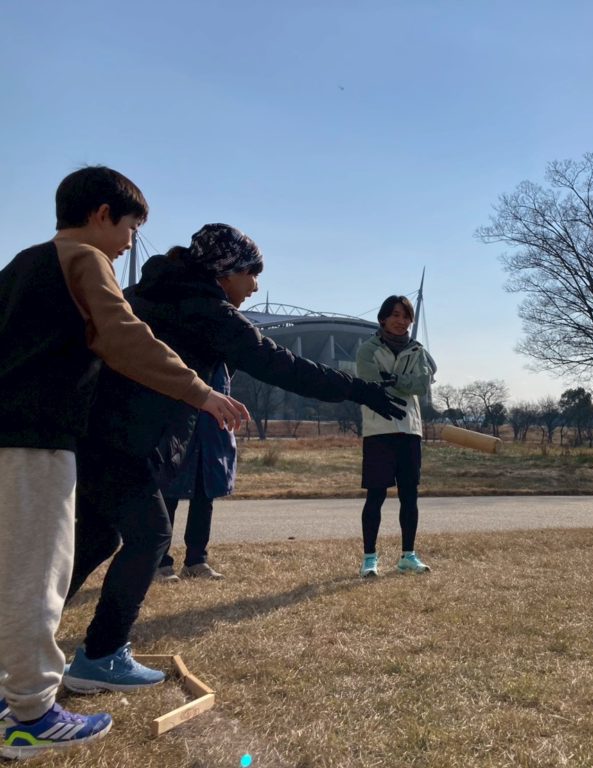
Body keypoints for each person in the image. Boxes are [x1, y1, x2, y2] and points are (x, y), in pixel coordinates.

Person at [62, 224, 405, 695]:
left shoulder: (147, 293)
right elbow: (283, 365)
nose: (256, 286)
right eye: (251, 274)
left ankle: (22, 635)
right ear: (225, 273)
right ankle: (100, 655)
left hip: (94, 431)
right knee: (150, 534)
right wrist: (360, 390)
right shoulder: (208, 311)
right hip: (131, 439)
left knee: (96, 538)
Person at [0, 167, 248, 760]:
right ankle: (30, 716)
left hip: (8, 437)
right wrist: (201, 392)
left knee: (13, 569)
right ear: (102, 215)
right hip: (38, 439)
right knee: (39, 574)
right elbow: (125, 337)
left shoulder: (20, 264)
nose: (131, 242)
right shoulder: (85, 259)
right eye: (131, 227)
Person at [356, 295, 437, 578]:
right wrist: (403, 381)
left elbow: (422, 385)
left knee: (410, 496)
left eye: (406, 316)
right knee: (376, 495)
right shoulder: (367, 349)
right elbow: (370, 380)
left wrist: (393, 379)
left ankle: (408, 556)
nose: (401, 321)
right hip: (378, 430)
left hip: (410, 430)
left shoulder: (417, 350)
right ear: (383, 318)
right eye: (395, 315)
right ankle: (369, 558)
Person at [155, 362, 236, 582]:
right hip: (177, 432)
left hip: (210, 435)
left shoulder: (222, 360)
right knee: (167, 496)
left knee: (204, 495)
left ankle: (196, 560)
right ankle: (159, 562)